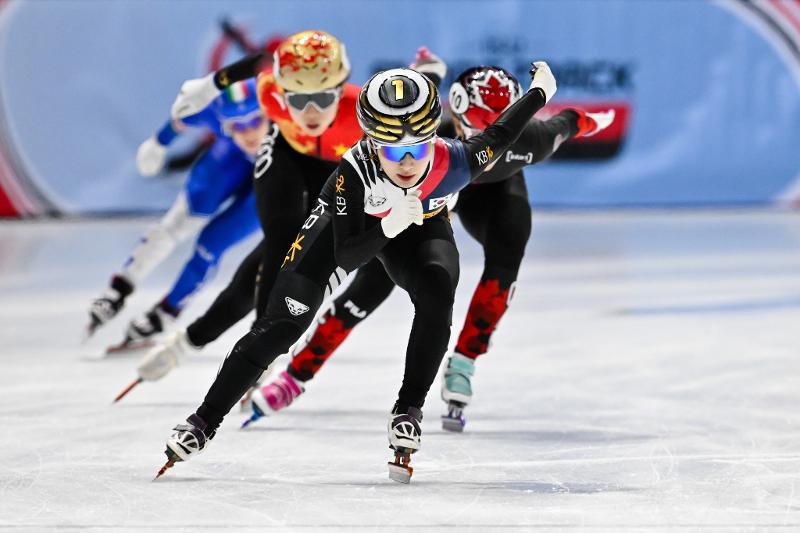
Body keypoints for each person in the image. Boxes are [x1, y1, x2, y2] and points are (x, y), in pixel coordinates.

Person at [154, 62, 558, 483]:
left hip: (418, 222)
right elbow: (347, 256)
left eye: (415, 151)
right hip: (350, 230)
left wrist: (539, 93)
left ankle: (409, 408)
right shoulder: (352, 174)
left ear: (432, 140)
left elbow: (500, 133)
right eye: (391, 150)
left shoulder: (457, 160)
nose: (404, 162)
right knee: (282, 326)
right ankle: (203, 421)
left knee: (438, 286)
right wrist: (387, 223)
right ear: (371, 141)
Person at [248, 66, 615, 431]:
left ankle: (465, 360)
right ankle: (298, 372)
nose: (479, 138)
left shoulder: (525, 140)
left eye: (490, 129)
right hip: (422, 208)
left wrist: (594, 119)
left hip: (492, 198)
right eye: (470, 129)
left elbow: (567, 123)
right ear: (452, 114)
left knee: (508, 254)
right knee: (368, 289)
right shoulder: (423, 136)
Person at [126, 44, 446, 386]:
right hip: (286, 154)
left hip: (332, 172)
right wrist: (209, 87)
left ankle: (192, 342)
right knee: (280, 244)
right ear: (283, 92)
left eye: (322, 99)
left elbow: (408, 112)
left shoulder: (362, 115)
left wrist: (427, 75)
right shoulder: (269, 93)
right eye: (297, 99)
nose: (309, 112)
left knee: (290, 261)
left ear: (340, 91)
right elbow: (252, 66)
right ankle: (238, 348)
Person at [86, 80, 267, 351]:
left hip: (271, 177)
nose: (249, 133)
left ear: (269, 113)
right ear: (225, 125)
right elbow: (180, 119)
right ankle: (120, 287)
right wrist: (157, 144)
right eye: (237, 127)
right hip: (229, 160)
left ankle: (165, 312)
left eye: (254, 122)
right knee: (176, 225)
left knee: (211, 245)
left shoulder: (286, 110)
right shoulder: (213, 111)